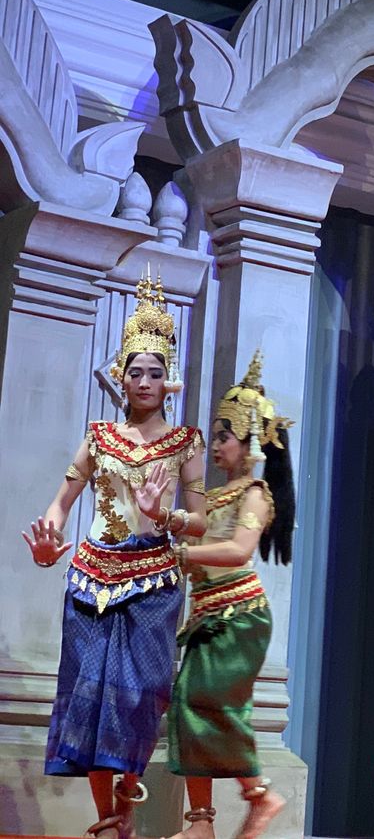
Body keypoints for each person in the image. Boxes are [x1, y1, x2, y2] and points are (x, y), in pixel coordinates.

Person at [21, 274, 207, 839]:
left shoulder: (185, 443)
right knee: (89, 698)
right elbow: (60, 504)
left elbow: (200, 521)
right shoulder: (100, 436)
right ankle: (108, 819)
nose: (145, 381)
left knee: (139, 697)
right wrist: (49, 542)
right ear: (121, 377)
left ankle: (126, 799)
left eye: (155, 372)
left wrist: (164, 516)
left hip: (153, 582)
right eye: (135, 371)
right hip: (91, 578)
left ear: (168, 380)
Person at [165, 351, 295, 839]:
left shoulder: (255, 493)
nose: (216, 444)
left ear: (251, 440)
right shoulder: (214, 497)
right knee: (187, 704)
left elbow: (240, 550)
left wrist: (184, 554)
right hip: (207, 614)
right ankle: (201, 822)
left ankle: (261, 796)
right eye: (216, 435)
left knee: (213, 702)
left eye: (225, 436)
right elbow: (195, 535)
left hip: (241, 616)